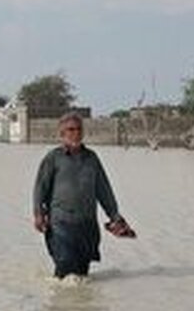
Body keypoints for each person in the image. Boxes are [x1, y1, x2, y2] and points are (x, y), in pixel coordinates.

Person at [32, 113, 136, 278]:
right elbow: (40, 188)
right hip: (60, 223)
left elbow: (104, 190)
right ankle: (58, 303)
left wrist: (115, 216)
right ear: (62, 133)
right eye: (70, 129)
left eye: (79, 129)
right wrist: (38, 214)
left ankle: (81, 304)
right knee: (65, 264)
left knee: (81, 273)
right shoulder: (53, 158)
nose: (76, 133)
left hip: (87, 225)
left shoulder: (92, 158)